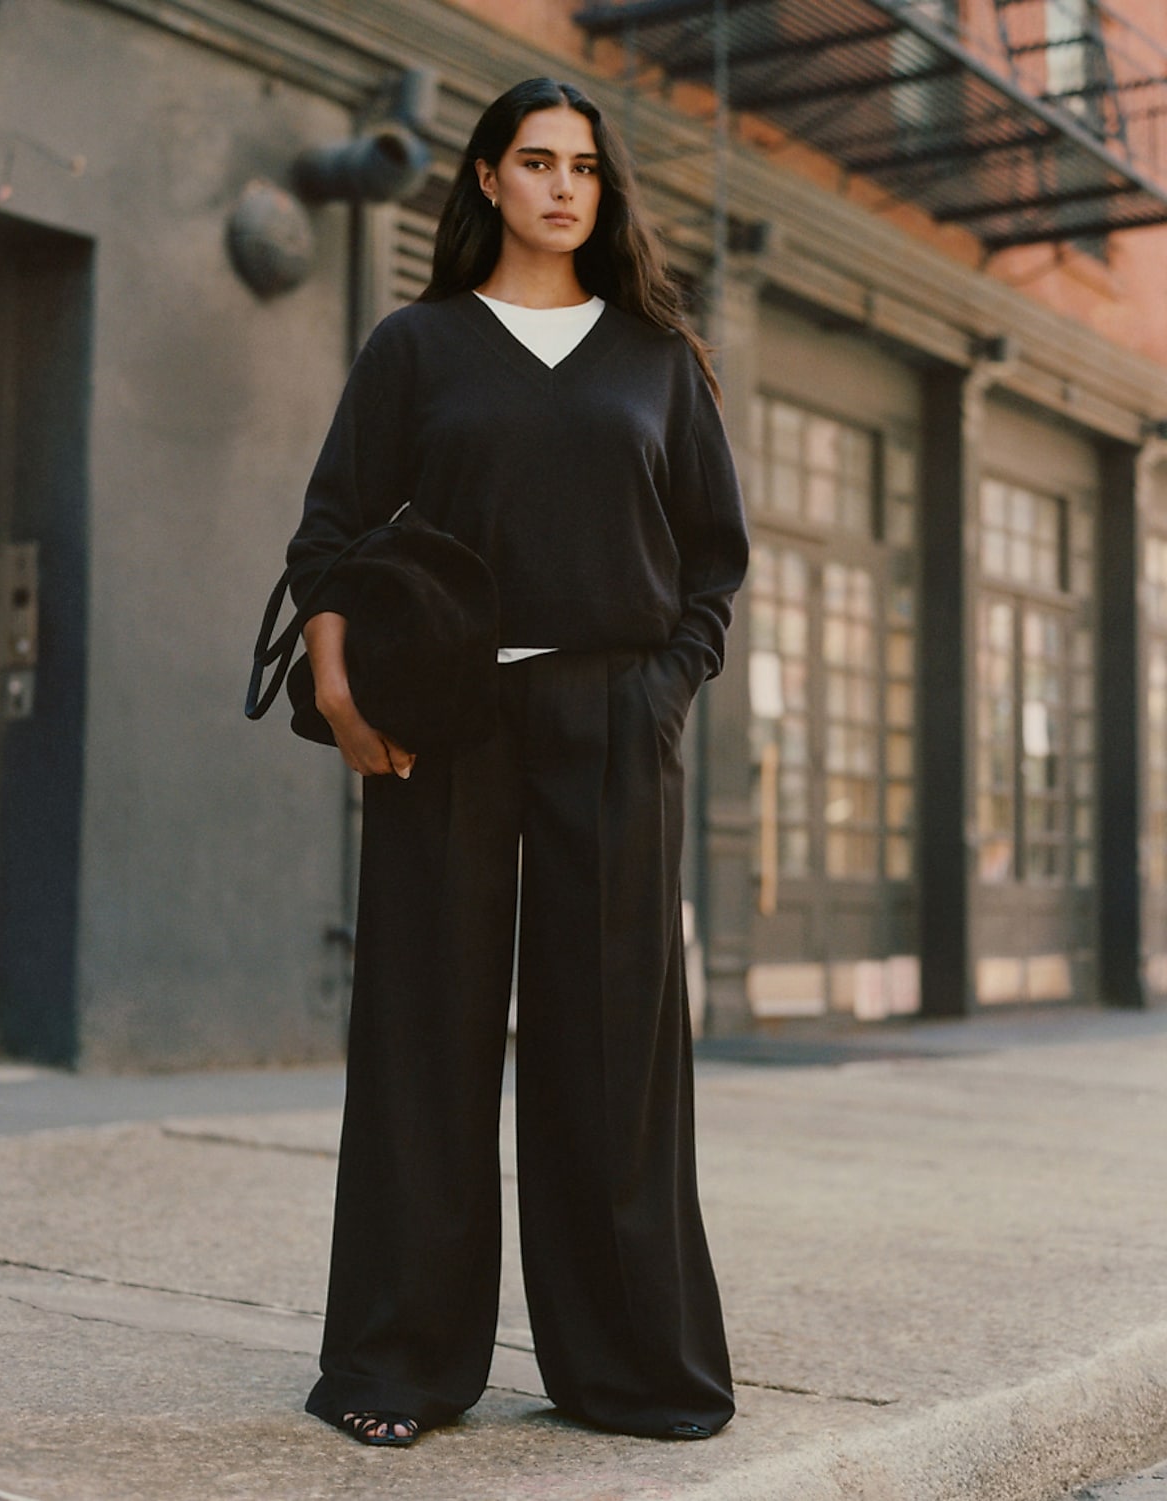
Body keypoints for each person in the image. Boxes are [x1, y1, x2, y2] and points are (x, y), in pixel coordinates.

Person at [287, 75, 749, 1449]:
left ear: (604, 192)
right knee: (424, 1033)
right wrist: (338, 683)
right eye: (535, 161)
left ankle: (630, 1367)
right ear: (483, 178)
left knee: (611, 1045)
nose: (563, 186)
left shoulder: (657, 356)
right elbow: (329, 531)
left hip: (615, 719)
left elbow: (714, 561)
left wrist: (661, 690)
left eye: (585, 169)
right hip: (448, 722)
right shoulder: (416, 346)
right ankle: (395, 1363)